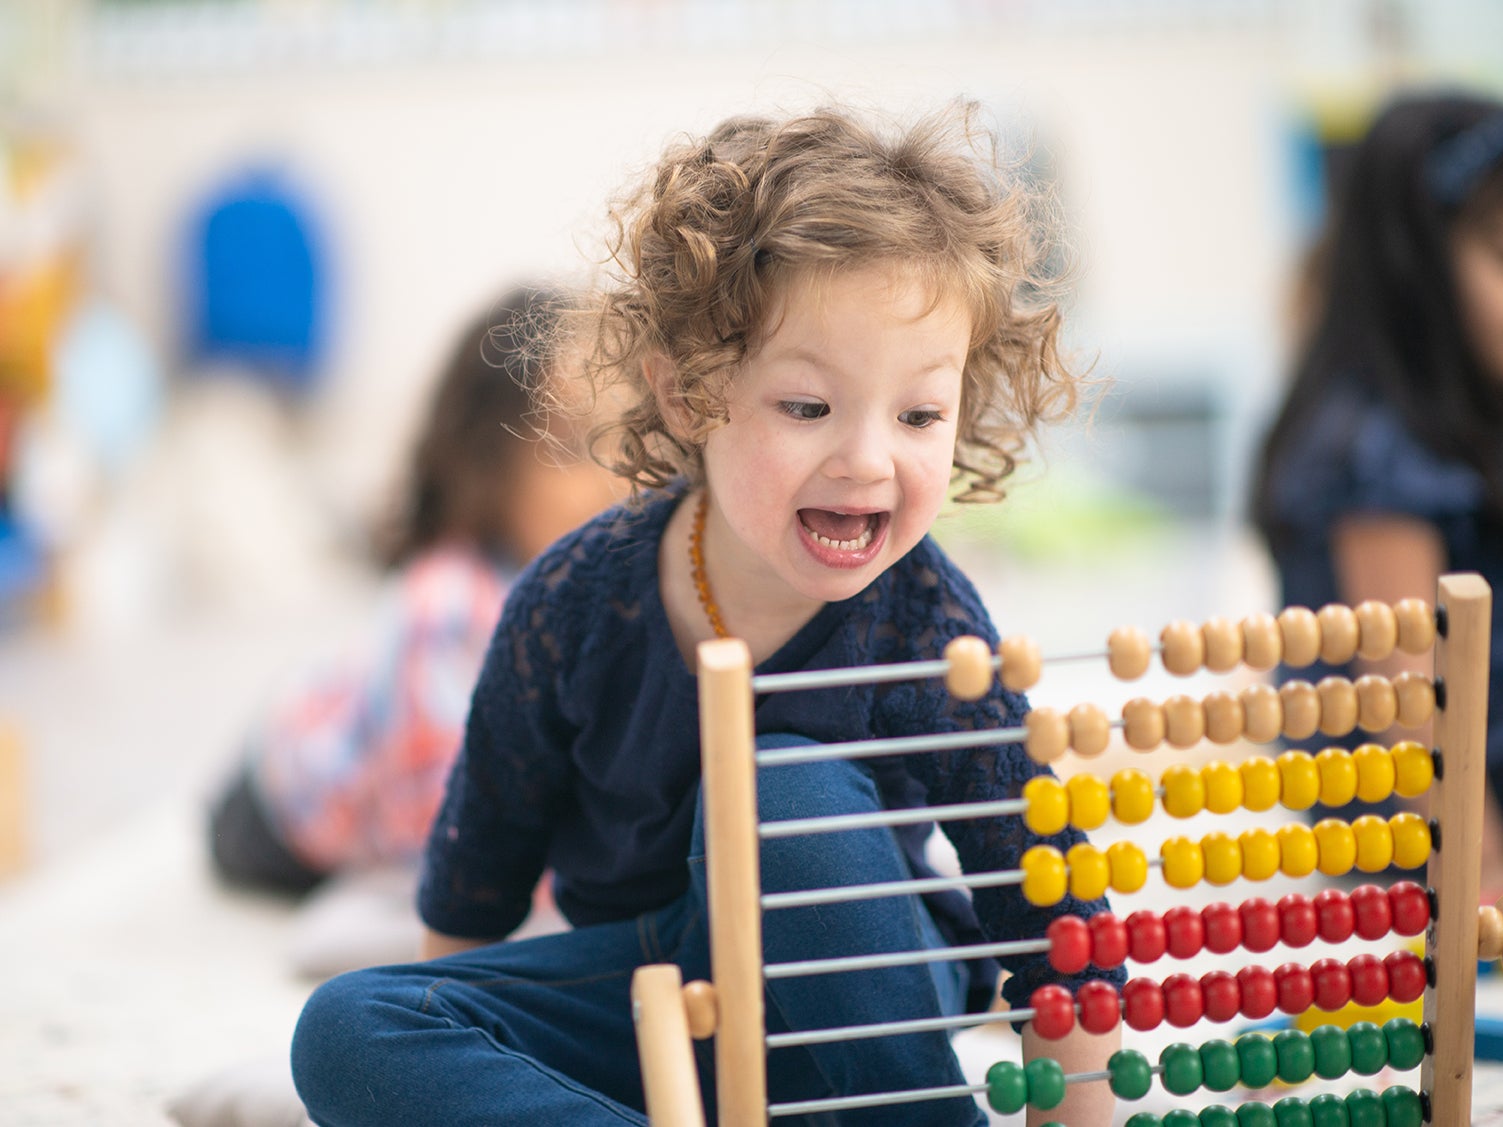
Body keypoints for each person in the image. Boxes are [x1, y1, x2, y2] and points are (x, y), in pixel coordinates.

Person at [291, 102, 1125, 1126]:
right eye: (808, 407)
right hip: (652, 1007)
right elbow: (471, 903)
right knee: (348, 1028)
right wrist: (469, 1066)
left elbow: (1051, 911)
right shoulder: (569, 604)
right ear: (689, 397)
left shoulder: (926, 623)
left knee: (787, 799)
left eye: (919, 414)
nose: (869, 458)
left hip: (852, 1025)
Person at [207, 284, 619, 899]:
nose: (611, 478)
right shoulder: (448, 611)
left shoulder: (595, 584)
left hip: (369, 718)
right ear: (487, 458)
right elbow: (448, 833)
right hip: (283, 796)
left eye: (622, 440)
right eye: (571, 445)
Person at [1252, 90, 1503, 893]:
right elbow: (1410, 711)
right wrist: (1483, 887)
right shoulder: (1376, 451)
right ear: (1415, 277)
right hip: (1428, 867)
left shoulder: (1467, 419)